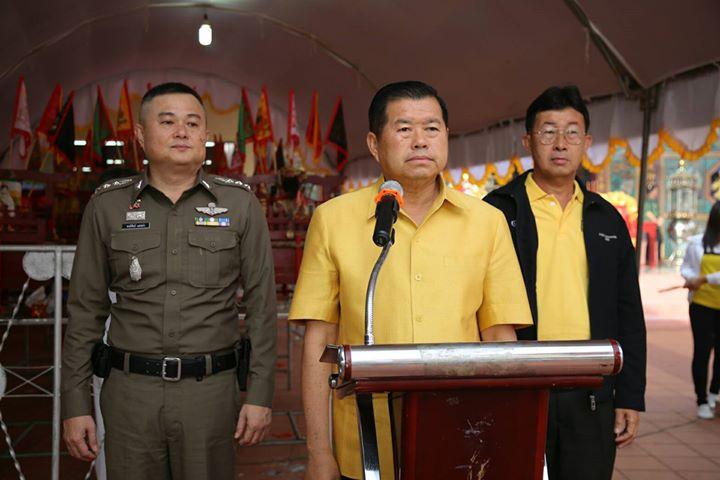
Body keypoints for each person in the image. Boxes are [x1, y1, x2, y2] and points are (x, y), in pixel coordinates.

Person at [289, 81, 533, 480]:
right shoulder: (333, 220)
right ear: (374, 143)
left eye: (432, 128)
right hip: (365, 439)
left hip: (460, 432)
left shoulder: (487, 222)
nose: (420, 140)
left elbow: (499, 338)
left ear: (446, 137)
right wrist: (318, 452)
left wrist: (503, 437)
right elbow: (320, 340)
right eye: (404, 129)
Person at [61, 82, 277, 480]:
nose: (182, 132)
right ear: (141, 135)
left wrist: (260, 394)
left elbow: (262, 308)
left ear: (205, 135)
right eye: (168, 122)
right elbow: (84, 311)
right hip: (131, 395)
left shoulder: (240, 204)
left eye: (193, 123)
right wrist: (75, 403)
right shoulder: (107, 205)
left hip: (209, 395)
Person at [484, 85, 647, 480]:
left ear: (586, 143)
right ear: (528, 140)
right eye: (548, 132)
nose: (560, 143)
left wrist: (630, 395)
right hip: (517, 387)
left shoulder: (606, 218)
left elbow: (629, 310)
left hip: (591, 390)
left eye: (572, 132)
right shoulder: (495, 212)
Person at [680, 201, 720, 419]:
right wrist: (690, 278)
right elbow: (686, 267)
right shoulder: (696, 243)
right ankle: (702, 399)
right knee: (702, 351)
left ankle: (715, 391)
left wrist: (704, 279)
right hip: (701, 305)